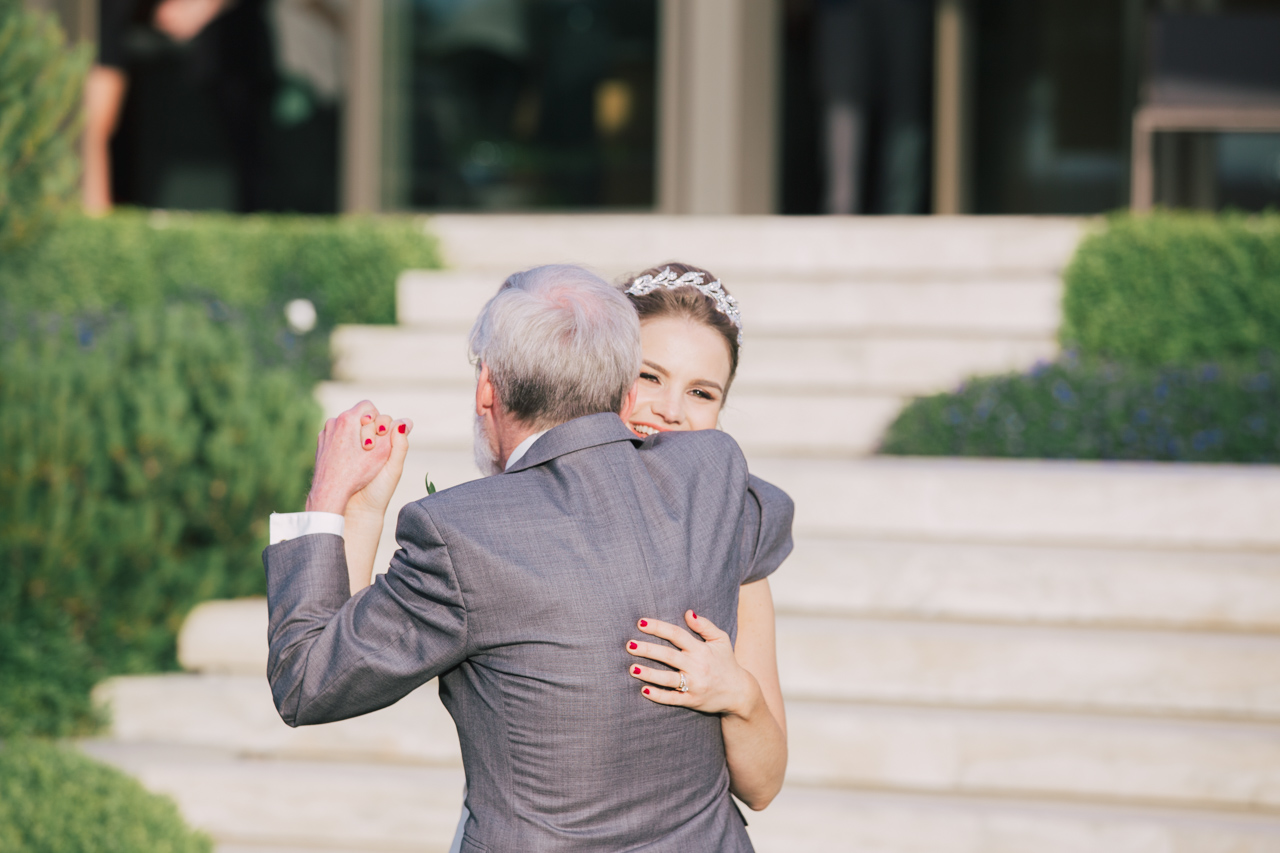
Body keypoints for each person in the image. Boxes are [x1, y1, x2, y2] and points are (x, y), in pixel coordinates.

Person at [265, 264, 793, 851]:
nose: (669, 413)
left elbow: (311, 681)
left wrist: (332, 500)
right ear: (618, 383)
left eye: (701, 392)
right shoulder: (719, 474)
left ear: (487, 386)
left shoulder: (463, 533)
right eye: (650, 376)